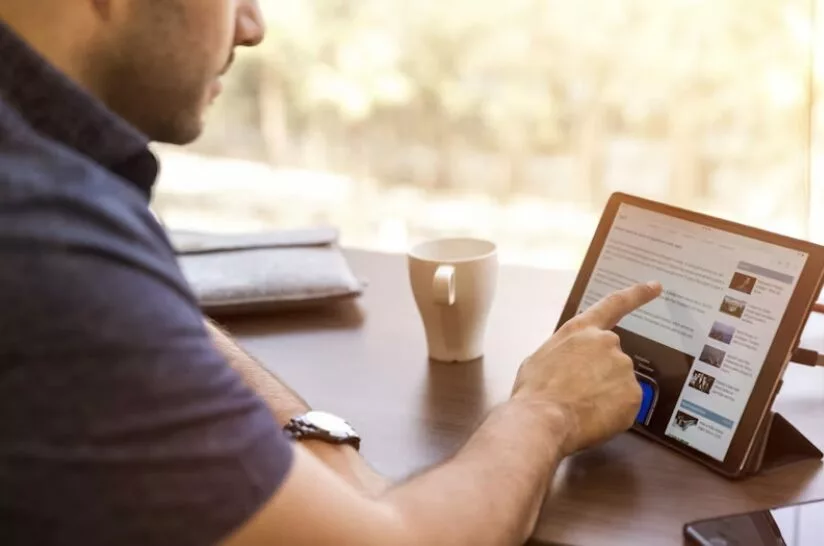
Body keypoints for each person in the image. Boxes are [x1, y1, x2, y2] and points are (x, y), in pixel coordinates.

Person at [0, 1, 662, 545]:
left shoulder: (49, 198)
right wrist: (547, 409)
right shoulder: (40, 235)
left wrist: (320, 445)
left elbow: (133, 316)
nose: (252, 26)